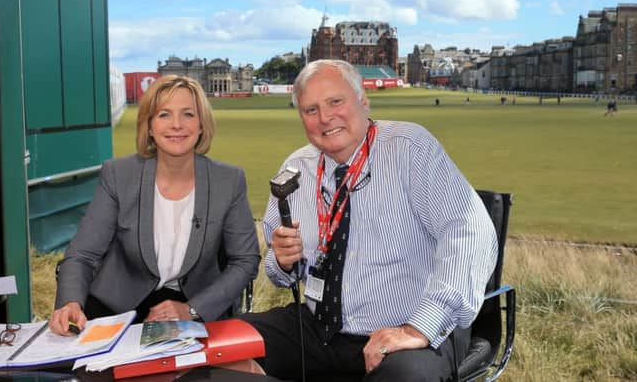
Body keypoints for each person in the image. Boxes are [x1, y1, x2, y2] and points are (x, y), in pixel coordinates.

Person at [241, 60, 498, 381]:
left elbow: (471, 232)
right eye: (311, 109)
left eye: (336, 101)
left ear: (364, 100)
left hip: (408, 329)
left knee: (403, 377)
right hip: (317, 326)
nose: (325, 117)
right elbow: (279, 275)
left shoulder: (409, 148)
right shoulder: (296, 168)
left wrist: (420, 326)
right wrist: (283, 261)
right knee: (223, 347)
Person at [51, 75, 260, 335]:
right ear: (149, 126)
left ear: (202, 124)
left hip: (192, 308)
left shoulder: (229, 180)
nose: (176, 125)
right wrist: (70, 302)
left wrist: (193, 309)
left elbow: (245, 260)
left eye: (187, 114)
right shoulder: (118, 174)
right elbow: (82, 254)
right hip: (117, 307)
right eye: (163, 115)